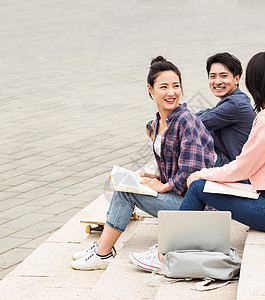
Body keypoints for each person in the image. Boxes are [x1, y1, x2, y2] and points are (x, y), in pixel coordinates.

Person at [129, 51, 265, 272]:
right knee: (203, 185)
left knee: (198, 187)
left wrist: (203, 174)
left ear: (252, 82)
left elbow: (242, 168)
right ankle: (179, 243)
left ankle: (163, 253)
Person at [70, 56, 215, 271]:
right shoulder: (159, 121)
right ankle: (102, 247)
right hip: (180, 199)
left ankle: (103, 252)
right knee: (124, 185)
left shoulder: (186, 120)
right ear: (151, 89)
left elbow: (192, 171)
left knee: (125, 192)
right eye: (163, 87)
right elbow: (174, 161)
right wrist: (157, 176)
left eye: (176, 86)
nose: (171, 92)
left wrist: (165, 186)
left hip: (195, 207)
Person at [147, 52, 256, 167]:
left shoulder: (235, 105)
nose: (217, 81)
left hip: (241, 177)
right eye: (213, 76)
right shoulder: (230, 103)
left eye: (223, 76)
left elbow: (189, 123)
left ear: (236, 79)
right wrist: (156, 123)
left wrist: (158, 125)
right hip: (232, 169)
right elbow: (200, 115)